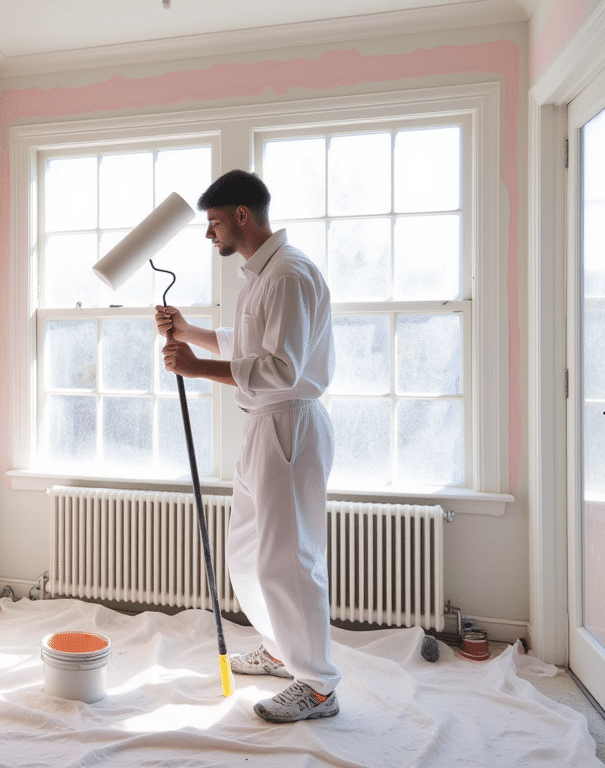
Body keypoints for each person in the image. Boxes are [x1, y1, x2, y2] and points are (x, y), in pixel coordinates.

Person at [155, 169, 340, 723]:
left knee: (288, 558)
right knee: (247, 551)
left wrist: (196, 368)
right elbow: (249, 344)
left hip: (287, 421)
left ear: (241, 215)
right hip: (261, 424)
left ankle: (320, 686)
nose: (209, 235)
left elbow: (282, 369)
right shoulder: (260, 276)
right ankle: (284, 649)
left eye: (214, 223)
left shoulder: (289, 273)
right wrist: (189, 334)